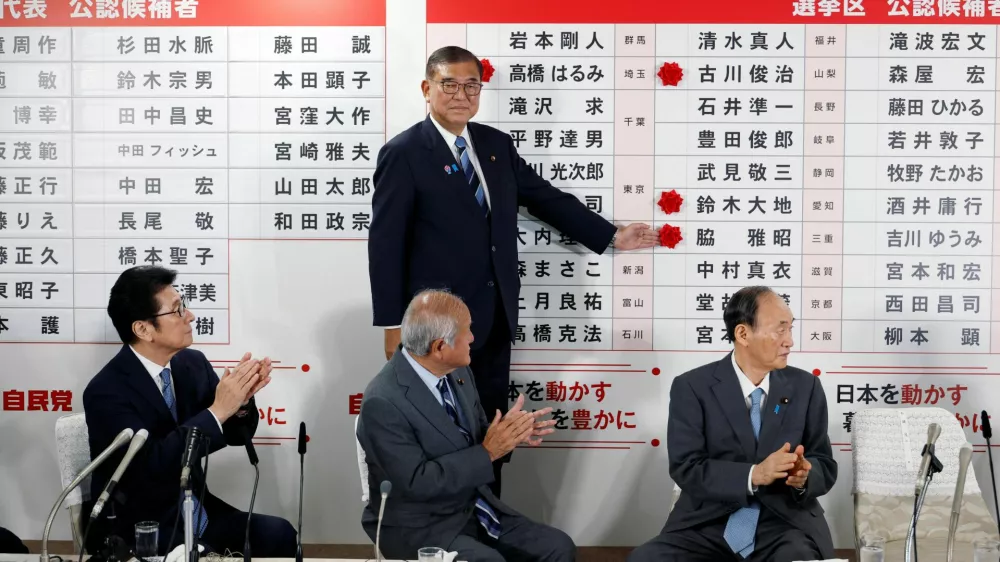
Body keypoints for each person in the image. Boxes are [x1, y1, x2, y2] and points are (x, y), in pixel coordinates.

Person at [368, 45, 659, 496]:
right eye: (449, 84)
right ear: (427, 89)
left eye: (471, 85)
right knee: (439, 428)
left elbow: (543, 197)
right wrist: (391, 323)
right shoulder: (403, 152)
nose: (461, 95)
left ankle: (491, 521)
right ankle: (447, 533)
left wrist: (609, 235)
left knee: (491, 427)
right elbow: (385, 244)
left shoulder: (494, 145)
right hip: (435, 329)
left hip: (493, 316)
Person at [81, 265, 296, 557]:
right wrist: (218, 410)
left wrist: (241, 402)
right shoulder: (106, 391)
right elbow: (148, 468)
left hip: (198, 513)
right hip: (141, 526)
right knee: (205, 557)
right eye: (178, 309)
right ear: (143, 329)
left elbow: (235, 434)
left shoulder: (192, 364)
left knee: (280, 534)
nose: (190, 316)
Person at [357, 289, 575, 562]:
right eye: (466, 331)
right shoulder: (383, 402)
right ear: (439, 347)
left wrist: (510, 434)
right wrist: (489, 451)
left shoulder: (458, 370)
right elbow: (417, 483)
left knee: (558, 547)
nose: (473, 338)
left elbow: (477, 437)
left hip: (472, 505)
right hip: (418, 525)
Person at [628, 286, 837, 562]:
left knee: (798, 556)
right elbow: (686, 467)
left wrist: (804, 476)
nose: (790, 341)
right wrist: (754, 475)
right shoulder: (692, 387)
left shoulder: (806, 386)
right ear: (743, 334)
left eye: (791, 329)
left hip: (784, 524)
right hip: (707, 522)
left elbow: (823, 461)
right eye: (780, 330)